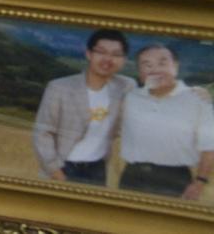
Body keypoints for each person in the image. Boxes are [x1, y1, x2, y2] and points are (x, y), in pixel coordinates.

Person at [33, 29, 136, 186]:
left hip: (98, 168)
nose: (108, 59)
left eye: (116, 54)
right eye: (101, 52)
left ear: (123, 60)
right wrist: (56, 172)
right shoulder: (59, 87)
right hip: (64, 167)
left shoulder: (125, 86)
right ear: (89, 54)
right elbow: (43, 133)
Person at [118, 44, 214, 199]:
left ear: (175, 66)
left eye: (162, 63)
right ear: (140, 71)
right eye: (147, 65)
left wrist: (200, 182)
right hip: (131, 176)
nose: (155, 70)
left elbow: (209, 147)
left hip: (175, 179)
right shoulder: (131, 97)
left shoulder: (198, 100)